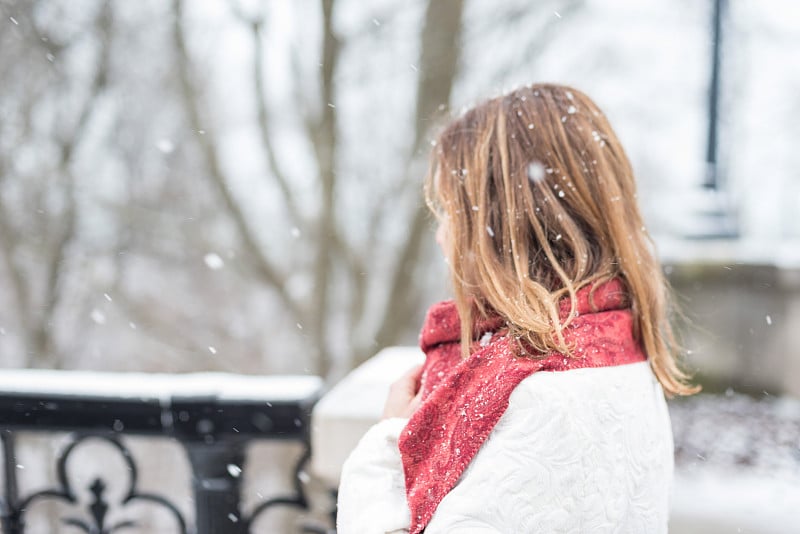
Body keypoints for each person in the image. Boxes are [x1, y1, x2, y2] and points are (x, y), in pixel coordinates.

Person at [336, 83, 697, 534]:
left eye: (450, 212)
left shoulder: (529, 392)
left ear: (500, 226)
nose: (440, 237)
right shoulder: (620, 344)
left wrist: (389, 441)